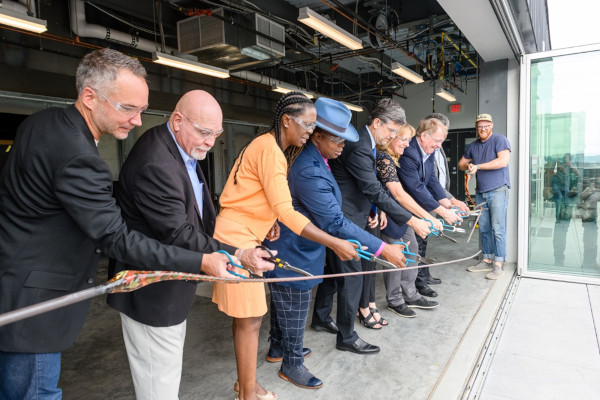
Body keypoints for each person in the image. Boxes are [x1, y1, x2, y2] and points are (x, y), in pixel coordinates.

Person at [0, 48, 233, 399]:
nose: (138, 120)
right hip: (35, 301)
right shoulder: (80, 155)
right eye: (128, 108)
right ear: (90, 97)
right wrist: (200, 261)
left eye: (141, 109)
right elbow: (116, 237)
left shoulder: (42, 122)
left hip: (13, 278)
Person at [106, 90, 274, 399]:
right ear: (178, 120)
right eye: (204, 132)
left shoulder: (179, 146)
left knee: (166, 375)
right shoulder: (156, 163)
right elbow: (178, 233)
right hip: (151, 293)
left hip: (170, 287)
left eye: (217, 133)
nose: (211, 141)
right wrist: (238, 252)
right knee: (160, 385)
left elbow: (196, 212)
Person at [211, 92, 358, 400]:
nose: (310, 131)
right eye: (307, 124)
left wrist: (268, 219)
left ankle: (245, 384)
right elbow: (288, 212)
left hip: (242, 233)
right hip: (238, 240)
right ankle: (247, 393)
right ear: (287, 120)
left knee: (247, 321)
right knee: (249, 322)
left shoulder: (268, 147)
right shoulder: (271, 151)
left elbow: (252, 193)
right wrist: (335, 242)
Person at [265, 98, 407, 389]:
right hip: (295, 251)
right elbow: (334, 222)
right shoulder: (309, 169)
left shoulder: (319, 158)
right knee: (294, 302)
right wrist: (383, 249)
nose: (342, 146)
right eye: (337, 140)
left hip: (298, 248)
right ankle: (291, 364)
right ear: (317, 136)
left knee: (286, 303)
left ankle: (278, 348)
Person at [311, 98, 432, 355]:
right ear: (377, 123)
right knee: (353, 277)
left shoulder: (368, 143)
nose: (391, 137)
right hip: (345, 218)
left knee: (334, 274)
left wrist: (375, 211)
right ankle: (347, 336)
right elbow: (372, 188)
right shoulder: (360, 147)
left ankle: (321, 317)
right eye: (390, 131)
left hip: (359, 213)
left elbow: (365, 187)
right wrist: (410, 219)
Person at [376, 124, 443, 317]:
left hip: (401, 214)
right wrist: (428, 217)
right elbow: (390, 193)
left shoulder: (395, 159)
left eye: (408, 140)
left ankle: (410, 294)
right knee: (396, 257)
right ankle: (395, 300)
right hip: (389, 214)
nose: (407, 145)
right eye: (403, 139)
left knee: (412, 249)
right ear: (391, 138)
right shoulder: (383, 158)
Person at [414, 113, 469, 296]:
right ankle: (415, 285)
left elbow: (434, 181)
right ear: (424, 135)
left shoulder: (432, 149)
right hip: (417, 204)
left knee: (423, 243)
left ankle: (422, 276)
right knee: (416, 246)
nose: (439, 145)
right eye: (438, 139)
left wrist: (449, 203)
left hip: (433, 200)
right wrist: (443, 210)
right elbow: (417, 187)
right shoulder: (412, 152)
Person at [458, 113, 511, 280]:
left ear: (491, 125)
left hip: (498, 190)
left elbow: (502, 161)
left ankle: (498, 264)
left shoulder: (499, 140)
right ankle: (486, 260)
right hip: (481, 192)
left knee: (498, 229)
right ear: (476, 128)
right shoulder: (473, 146)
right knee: (485, 228)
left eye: (486, 126)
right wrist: (470, 164)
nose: (483, 129)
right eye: (480, 126)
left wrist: (478, 166)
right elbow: (461, 164)